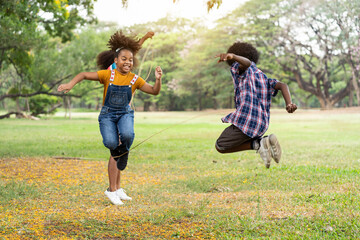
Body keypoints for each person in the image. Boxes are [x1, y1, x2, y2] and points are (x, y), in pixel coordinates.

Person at [57, 31, 162, 205]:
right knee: (113, 146)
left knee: (125, 140)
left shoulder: (134, 78)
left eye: (130, 59)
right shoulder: (108, 74)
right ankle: (114, 182)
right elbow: (83, 75)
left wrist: (158, 79)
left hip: (125, 114)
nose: (128, 61)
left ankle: (114, 189)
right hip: (108, 114)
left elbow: (154, 90)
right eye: (124, 59)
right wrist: (69, 84)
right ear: (115, 60)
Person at [215, 41, 297, 168]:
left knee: (220, 146)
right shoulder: (262, 77)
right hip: (261, 125)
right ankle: (260, 143)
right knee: (225, 144)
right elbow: (282, 85)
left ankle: (259, 144)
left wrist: (234, 57)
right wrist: (289, 103)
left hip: (246, 122)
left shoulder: (243, 69)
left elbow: (246, 63)